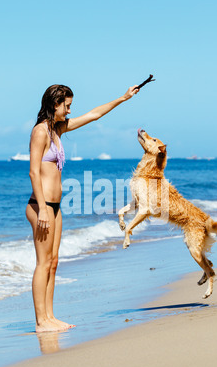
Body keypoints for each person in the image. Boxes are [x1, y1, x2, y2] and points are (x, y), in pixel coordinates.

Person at [26, 83, 139, 333]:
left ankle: (50, 316)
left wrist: (123, 98)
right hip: (40, 207)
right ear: (55, 104)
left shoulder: (58, 130)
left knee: (53, 263)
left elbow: (93, 115)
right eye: (66, 106)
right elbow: (34, 171)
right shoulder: (40, 132)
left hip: (55, 207)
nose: (68, 111)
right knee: (43, 263)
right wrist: (43, 209)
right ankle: (40, 321)